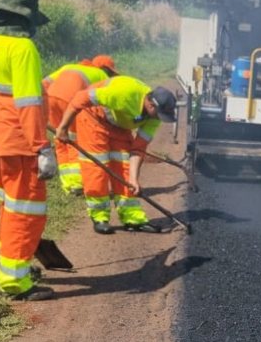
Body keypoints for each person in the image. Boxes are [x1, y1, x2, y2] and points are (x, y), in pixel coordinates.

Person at [0, 0, 57, 302]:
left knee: (9, 207)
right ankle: (15, 282)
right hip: (19, 142)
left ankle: (14, 266)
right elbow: (28, 102)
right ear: (26, 19)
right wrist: (41, 148)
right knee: (26, 211)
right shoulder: (22, 49)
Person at [56, 76, 177, 235]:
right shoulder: (123, 94)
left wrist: (134, 180)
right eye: (159, 114)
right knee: (96, 169)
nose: (158, 119)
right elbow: (80, 98)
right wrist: (63, 127)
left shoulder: (154, 117)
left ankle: (132, 218)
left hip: (119, 126)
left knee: (125, 170)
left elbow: (138, 148)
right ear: (150, 104)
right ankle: (100, 217)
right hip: (94, 117)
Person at [42, 55, 118, 196]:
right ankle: (77, 185)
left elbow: (44, 83)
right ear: (105, 69)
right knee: (73, 140)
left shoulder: (69, 67)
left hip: (50, 99)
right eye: (110, 72)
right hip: (70, 102)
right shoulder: (101, 75)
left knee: (60, 139)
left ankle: (67, 184)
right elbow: (102, 101)